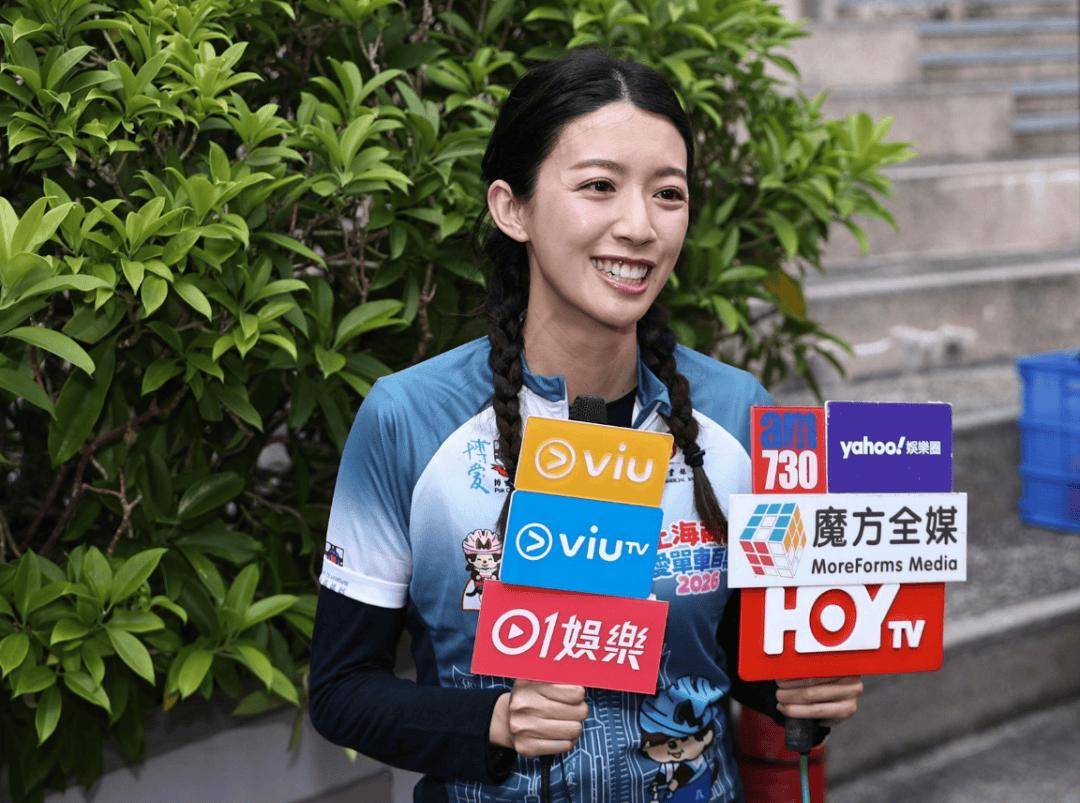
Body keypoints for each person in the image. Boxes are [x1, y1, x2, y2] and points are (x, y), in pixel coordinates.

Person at [308, 46, 863, 802]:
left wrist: (800, 686)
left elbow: (734, 653)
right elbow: (342, 690)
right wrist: (495, 720)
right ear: (513, 208)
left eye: (668, 194)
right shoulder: (410, 418)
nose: (639, 225)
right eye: (599, 185)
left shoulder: (739, 412)